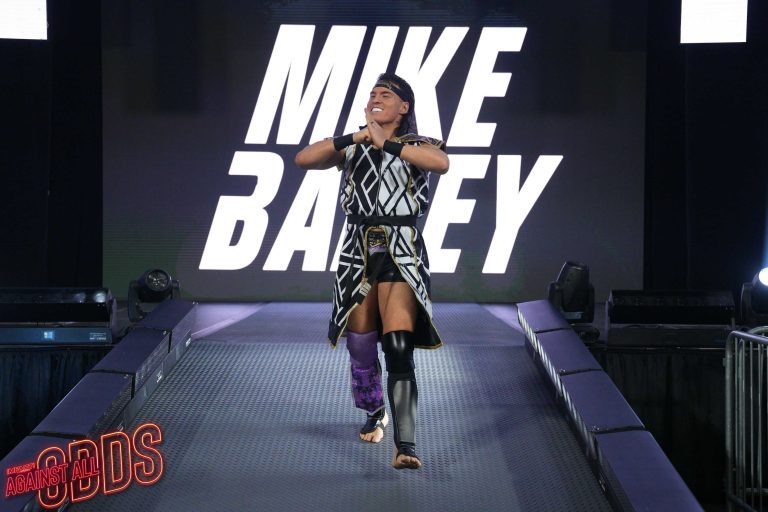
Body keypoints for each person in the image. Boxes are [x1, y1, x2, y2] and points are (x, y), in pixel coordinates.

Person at [295, 73, 449, 470]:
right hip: (357, 250)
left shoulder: (418, 144)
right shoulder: (352, 146)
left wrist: (387, 144)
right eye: (373, 94)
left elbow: (441, 164)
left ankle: (406, 445)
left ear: (403, 107)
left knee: (397, 345)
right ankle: (374, 408)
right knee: (361, 346)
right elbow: (304, 159)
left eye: (386, 94)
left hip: (401, 250)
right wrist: (358, 137)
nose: (376, 97)